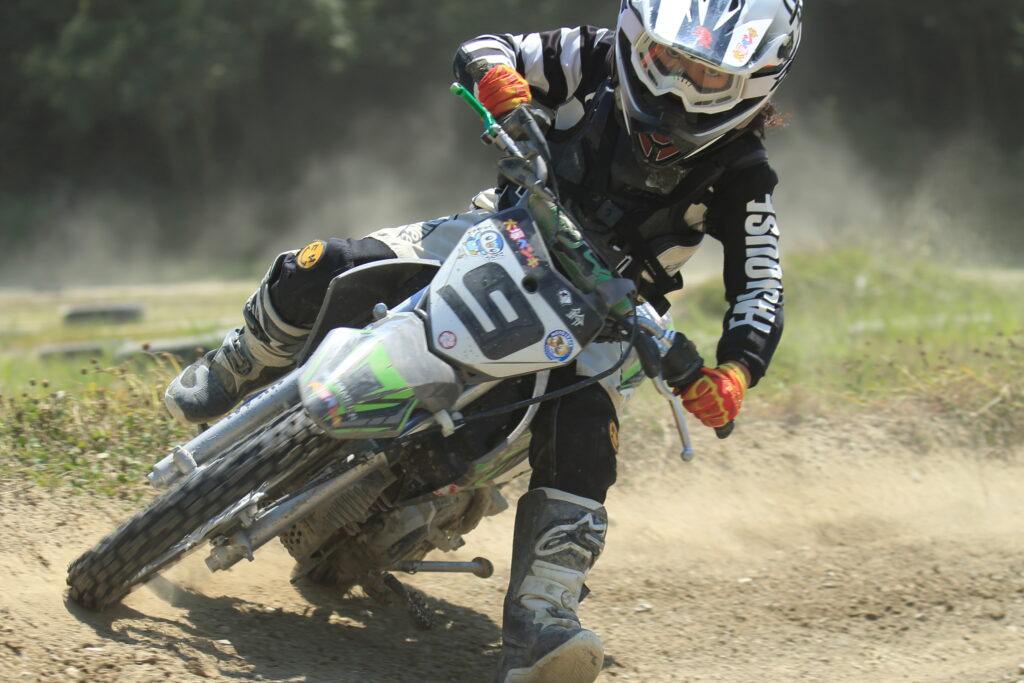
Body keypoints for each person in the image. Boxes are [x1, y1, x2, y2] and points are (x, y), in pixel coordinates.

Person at [165, 1, 801, 680]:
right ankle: (238, 362)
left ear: (754, 82)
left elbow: (762, 286)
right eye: (668, 59)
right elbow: (489, 46)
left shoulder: (743, 172)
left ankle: (544, 612)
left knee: (587, 427)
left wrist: (734, 372)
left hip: (610, 317)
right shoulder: (590, 57)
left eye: (706, 76)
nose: (677, 85)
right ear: (636, 39)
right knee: (326, 264)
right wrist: (501, 83)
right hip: (499, 232)